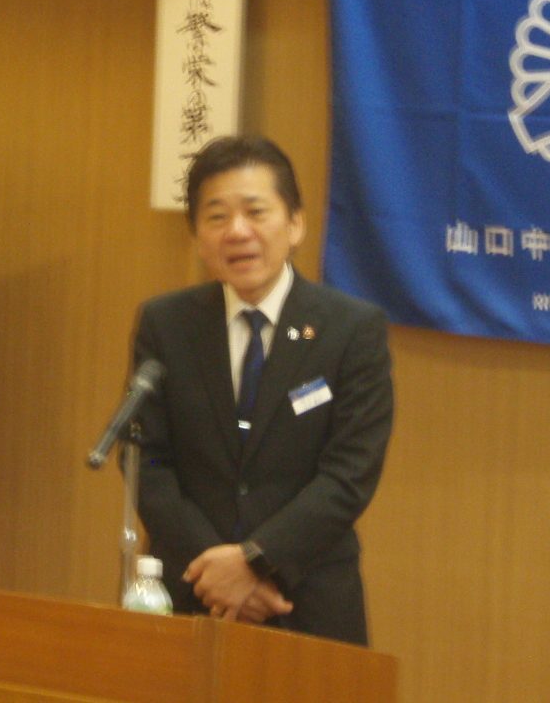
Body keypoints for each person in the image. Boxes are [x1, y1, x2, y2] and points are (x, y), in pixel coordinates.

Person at [130, 135, 393, 645]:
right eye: (217, 216)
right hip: (190, 591)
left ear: (295, 224)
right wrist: (216, 574)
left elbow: (350, 474)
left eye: (255, 211)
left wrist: (254, 562)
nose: (238, 231)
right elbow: (147, 461)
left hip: (306, 598)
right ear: (197, 236)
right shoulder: (166, 324)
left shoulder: (351, 329)